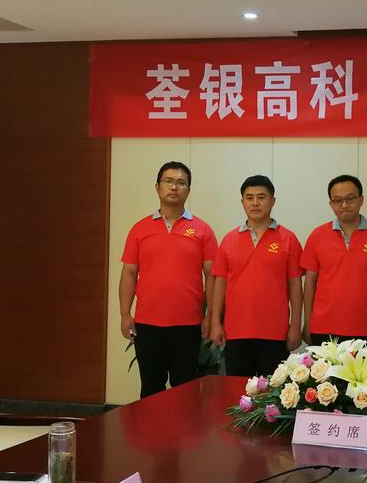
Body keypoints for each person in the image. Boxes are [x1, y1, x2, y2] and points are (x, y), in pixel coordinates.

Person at [119, 161, 217, 398]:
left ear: (188, 190)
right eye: (169, 181)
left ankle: (183, 425)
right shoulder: (140, 229)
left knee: (184, 390)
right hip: (147, 323)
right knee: (151, 389)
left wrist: (210, 316)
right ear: (157, 187)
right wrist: (125, 314)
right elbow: (129, 273)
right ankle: (151, 425)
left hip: (187, 324)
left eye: (181, 183)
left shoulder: (202, 230)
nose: (174, 187)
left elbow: (212, 276)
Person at [209, 174, 303, 377]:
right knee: (237, 391)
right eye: (249, 198)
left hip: (275, 333)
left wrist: (296, 325)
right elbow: (220, 283)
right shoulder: (229, 239)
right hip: (236, 331)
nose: (255, 203)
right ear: (242, 202)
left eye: (261, 197)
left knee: (273, 391)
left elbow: (295, 285)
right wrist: (216, 323)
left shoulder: (288, 239)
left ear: (273, 201)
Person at [302, 174, 367, 346]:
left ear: (361, 200)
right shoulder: (318, 235)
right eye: (337, 200)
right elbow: (310, 282)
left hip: (362, 327)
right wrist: (308, 321)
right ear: (331, 204)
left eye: (350, 199)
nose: (344, 205)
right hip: (322, 327)